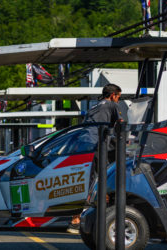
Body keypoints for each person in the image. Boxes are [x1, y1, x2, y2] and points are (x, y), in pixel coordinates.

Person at [67, 83, 123, 234]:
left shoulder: (94, 107)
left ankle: (75, 220)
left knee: (88, 181)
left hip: (83, 145)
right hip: (96, 144)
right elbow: (121, 126)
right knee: (104, 180)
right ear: (113, 95)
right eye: (118, 97)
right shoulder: (112, 105)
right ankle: (100, 219)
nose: (118, 100)